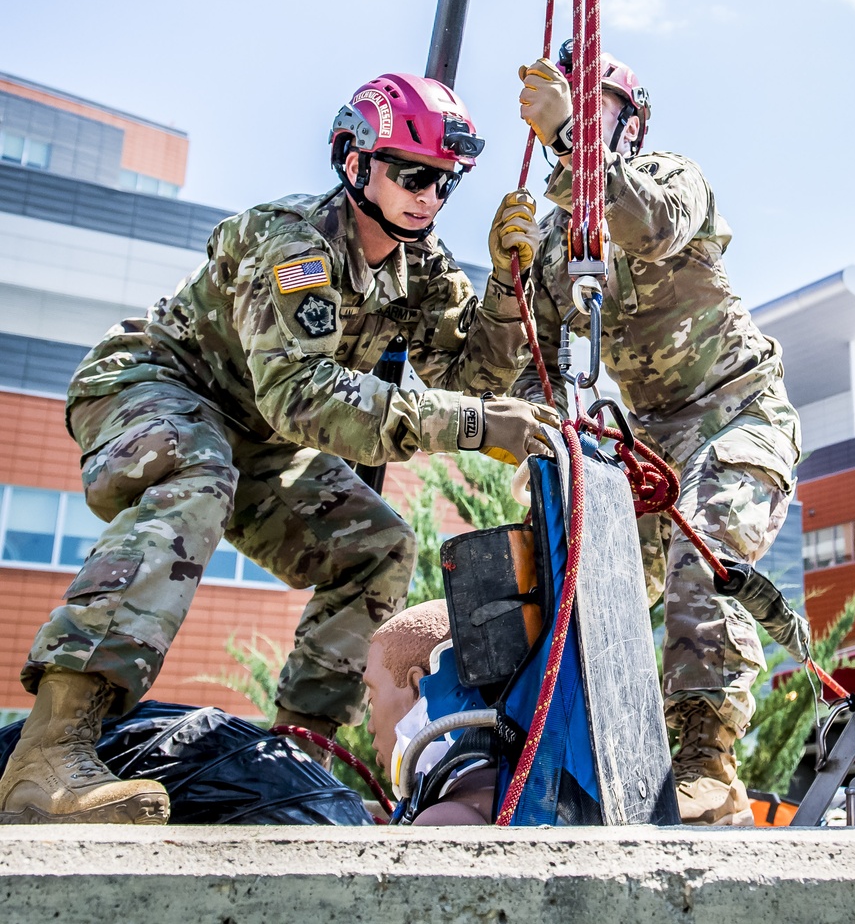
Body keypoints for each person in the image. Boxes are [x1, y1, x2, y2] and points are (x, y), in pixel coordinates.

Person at [0, 72, 555, 826]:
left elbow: (470, 373)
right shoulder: (292, 241)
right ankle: (50, 754)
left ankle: (296, 760)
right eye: (413, 173)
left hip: (254, 436)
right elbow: (305, 397)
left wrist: (505, 287)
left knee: (377, 545)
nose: (429, 195)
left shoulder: (421, 267)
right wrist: (474, 425)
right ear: (357, 165)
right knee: (198, 476)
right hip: (156, 386)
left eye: (445, 183)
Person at [514, 46, 801, 828]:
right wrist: (506, 282)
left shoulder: (674, 177)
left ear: (629, 124)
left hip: (738, 411)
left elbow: (653, 226)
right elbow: (519, 368)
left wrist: (576, 145)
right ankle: (557, 749)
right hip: (651, 447)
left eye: (596, 108)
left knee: (704, 549)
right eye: (568, 107)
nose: (579, 120)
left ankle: (707, 758)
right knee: (575, 573)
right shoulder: (551, 245)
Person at [363, 601, 494, 826]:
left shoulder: (443, 819)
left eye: (372, 699)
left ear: (417, 686)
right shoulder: (512, 785)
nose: (370, 727)